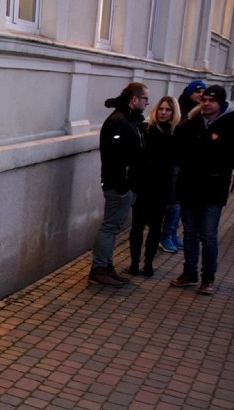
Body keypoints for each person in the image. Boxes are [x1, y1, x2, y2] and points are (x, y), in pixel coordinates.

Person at [170, 85, 234, 295]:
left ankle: (208, 278)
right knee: (189, 233)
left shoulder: (229, 126)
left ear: (220, 103)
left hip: (213, 191)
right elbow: (179, 153)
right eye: (204, 100)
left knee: (208, 235)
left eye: (211, 101)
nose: (206, 104)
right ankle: (189, 273)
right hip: (190, 188)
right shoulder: (191, 125)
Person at [89, 82, 149, 287]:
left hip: (126, 185)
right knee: (110, 226)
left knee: (113, 227)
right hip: (118, 186)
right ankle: (99, 268)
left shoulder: (129, 120)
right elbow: (117, 157)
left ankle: (106, 266)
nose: (147, 103)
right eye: (145, 99)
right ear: (135, 99)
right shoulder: (119, 121)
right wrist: (123, 185)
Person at [127, 96, 180, 277]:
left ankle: (148, 263)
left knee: (156, 228)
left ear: (174, 113)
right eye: (161, 109)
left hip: (161, 188)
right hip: (143, 186)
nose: (164, 112)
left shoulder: (175, 134)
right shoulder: (145, 129)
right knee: (137, 227)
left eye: (168, 110)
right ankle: (134, 263)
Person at [161, 79, 208, 252]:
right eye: (198, 92)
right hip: (175, 164)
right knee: (174, 202)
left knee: (179, 202)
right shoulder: (180, 110)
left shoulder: (198, 112)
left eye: (203, 93)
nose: (201, 95)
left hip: (184, 164)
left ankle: (172, 233)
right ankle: (166, 235)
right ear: (190, 92)